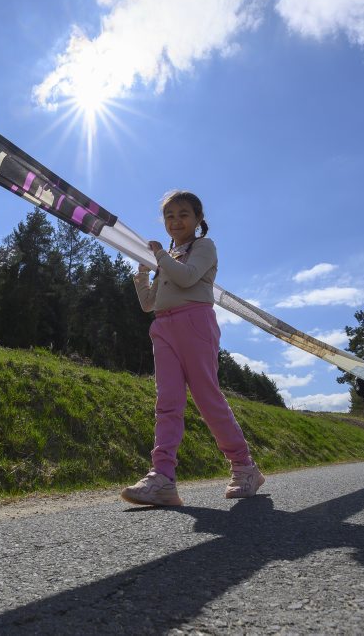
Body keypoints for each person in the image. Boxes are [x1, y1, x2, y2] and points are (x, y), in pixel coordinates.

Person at [122, 190, 265, 506]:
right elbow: (149, 303)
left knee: (207, 398)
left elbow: (187, 279)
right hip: (162, 327)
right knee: (167, 401)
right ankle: (162, 478)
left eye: (183, 214)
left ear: (199, 219)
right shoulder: (166, 258)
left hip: (195, 322)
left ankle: (245, 468)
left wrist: (159, 257)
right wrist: (143, 273)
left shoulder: (204, 247)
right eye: (169, 216)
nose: (175, 221)